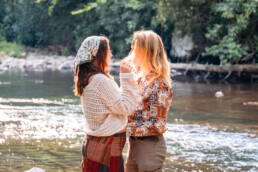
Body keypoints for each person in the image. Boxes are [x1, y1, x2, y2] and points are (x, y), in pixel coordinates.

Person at [74, 36, 139, 172]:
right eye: (108, 51)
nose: (110, 54)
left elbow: (114, 101)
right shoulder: (99, 80)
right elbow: (126, 107)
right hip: (106, 150)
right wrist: (126, 75)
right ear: (98, 55)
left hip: (95, 147)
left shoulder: (88, 78)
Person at [125, 30, 173, 172]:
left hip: (150, 149)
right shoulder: (140, 79)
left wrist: (123, 128)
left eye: (136, 46)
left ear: (146, 51)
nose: (132, 49)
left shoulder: (160, 83)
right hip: (134, 145)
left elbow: (156, 124)